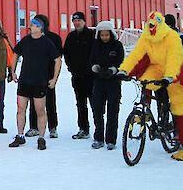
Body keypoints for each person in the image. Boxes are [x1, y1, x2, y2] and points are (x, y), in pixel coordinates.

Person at [117, 11, 183, 161]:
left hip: (175, 71)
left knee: (178, 107)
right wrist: (124, 70)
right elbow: (137, 55)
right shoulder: (146, 36)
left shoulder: (172, 37)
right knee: (145, 81)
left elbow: (174, 57)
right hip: (156, 68)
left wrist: (169, 77)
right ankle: (145, 112)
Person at [9, 17, 62, 150]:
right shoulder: (25, 41)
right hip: (24, 81)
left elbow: (57, 59)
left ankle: (41, 138)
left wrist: (54, 78)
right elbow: (15, 54)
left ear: (39, 28)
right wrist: (13, 71)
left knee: (40, 111)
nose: (29, 27)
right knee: (20, 109)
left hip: (39, 82)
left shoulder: (47, 43)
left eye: (32, 25)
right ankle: (20, 135)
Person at [25, 14, 62, 138]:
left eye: (40, 23)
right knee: (33, 103)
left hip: (49, 75)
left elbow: (58, 58)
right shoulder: (30, 38)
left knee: (50, 102)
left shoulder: (54, 38)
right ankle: (34, 127)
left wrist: (55, 77)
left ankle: (53, 127)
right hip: (34, 76)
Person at [89, 21, 124, 150]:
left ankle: (111, 139)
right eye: (102, 35)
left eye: (106, 35)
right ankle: (99, 137)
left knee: (112, 111)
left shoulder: (117, 46)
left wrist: (113, 70)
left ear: (111, 34)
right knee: (97, 110)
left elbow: (121, 61)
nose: (104, 37)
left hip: (113, 82)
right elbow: (91, 60)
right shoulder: (96, 46)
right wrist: (95, 68)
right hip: (99, 81)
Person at [62, 11, 95, 140]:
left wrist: (92, 70)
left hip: (91, 77)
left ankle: (99, 130)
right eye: (74, 21)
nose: (76, 23)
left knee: (95, 105)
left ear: (84, 21)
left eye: (79, 21)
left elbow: (95, 53)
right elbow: (67, 54)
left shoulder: (91, 36)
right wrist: (71, 68)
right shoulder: (71, 37)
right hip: (77, 76)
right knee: (80, 104)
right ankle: (83, 129)